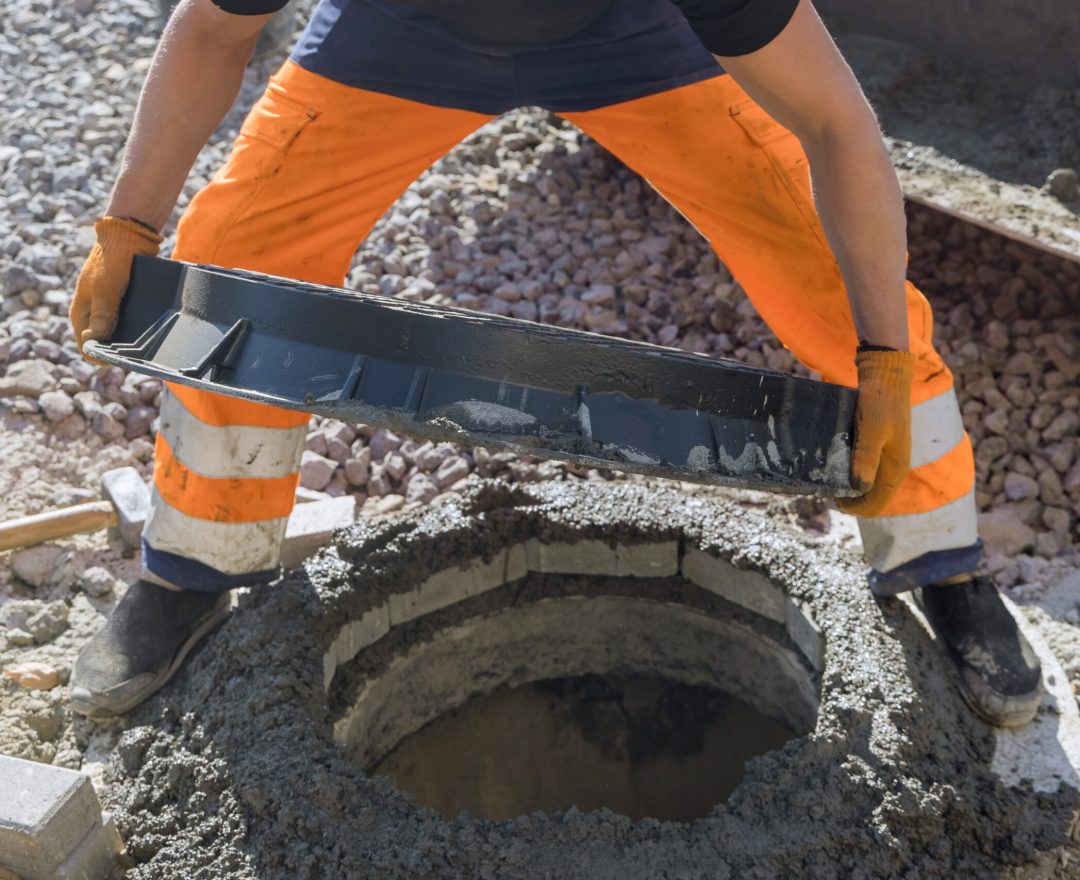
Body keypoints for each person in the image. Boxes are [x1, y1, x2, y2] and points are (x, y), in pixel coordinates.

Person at [68, 0, 1042, 726]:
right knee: (235, 255)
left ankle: (939, 559)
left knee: (838, 284)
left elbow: (834, 122)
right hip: (397, 28)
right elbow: (213, 29)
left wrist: (880, 355)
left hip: (636, 34)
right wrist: (129, 225)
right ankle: (197, 563)